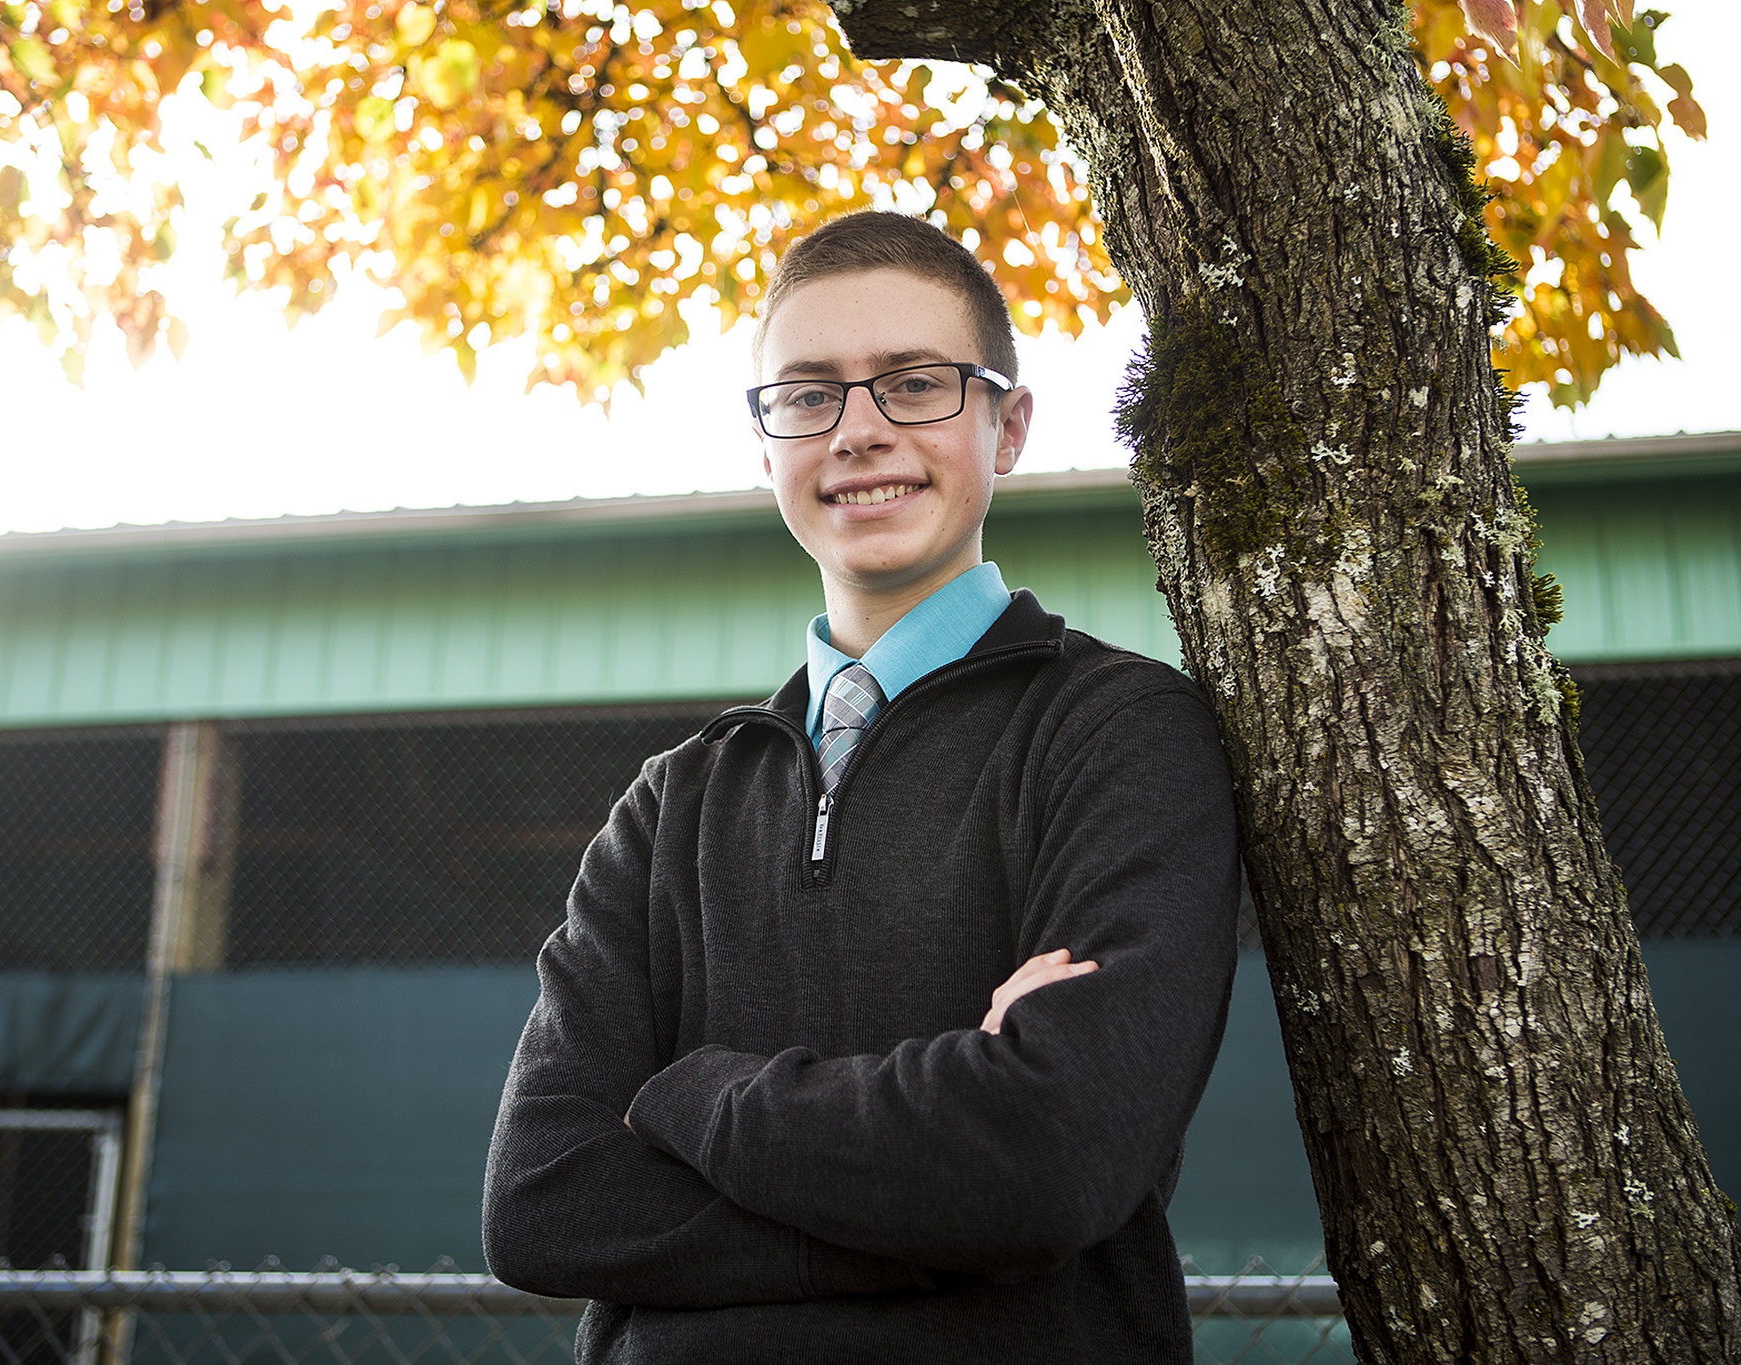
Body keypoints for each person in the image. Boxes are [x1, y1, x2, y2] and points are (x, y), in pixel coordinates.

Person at [482, 210, 1240, 1363]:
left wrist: (693, 1097)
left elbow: (1049, 1162)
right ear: (768, 441)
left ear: (1008, 425)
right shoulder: (672, 804)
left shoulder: (1120, 732)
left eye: (914, 385)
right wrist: (950, 1201)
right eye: (808, 395)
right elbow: (543, 1199)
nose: (859, 432)